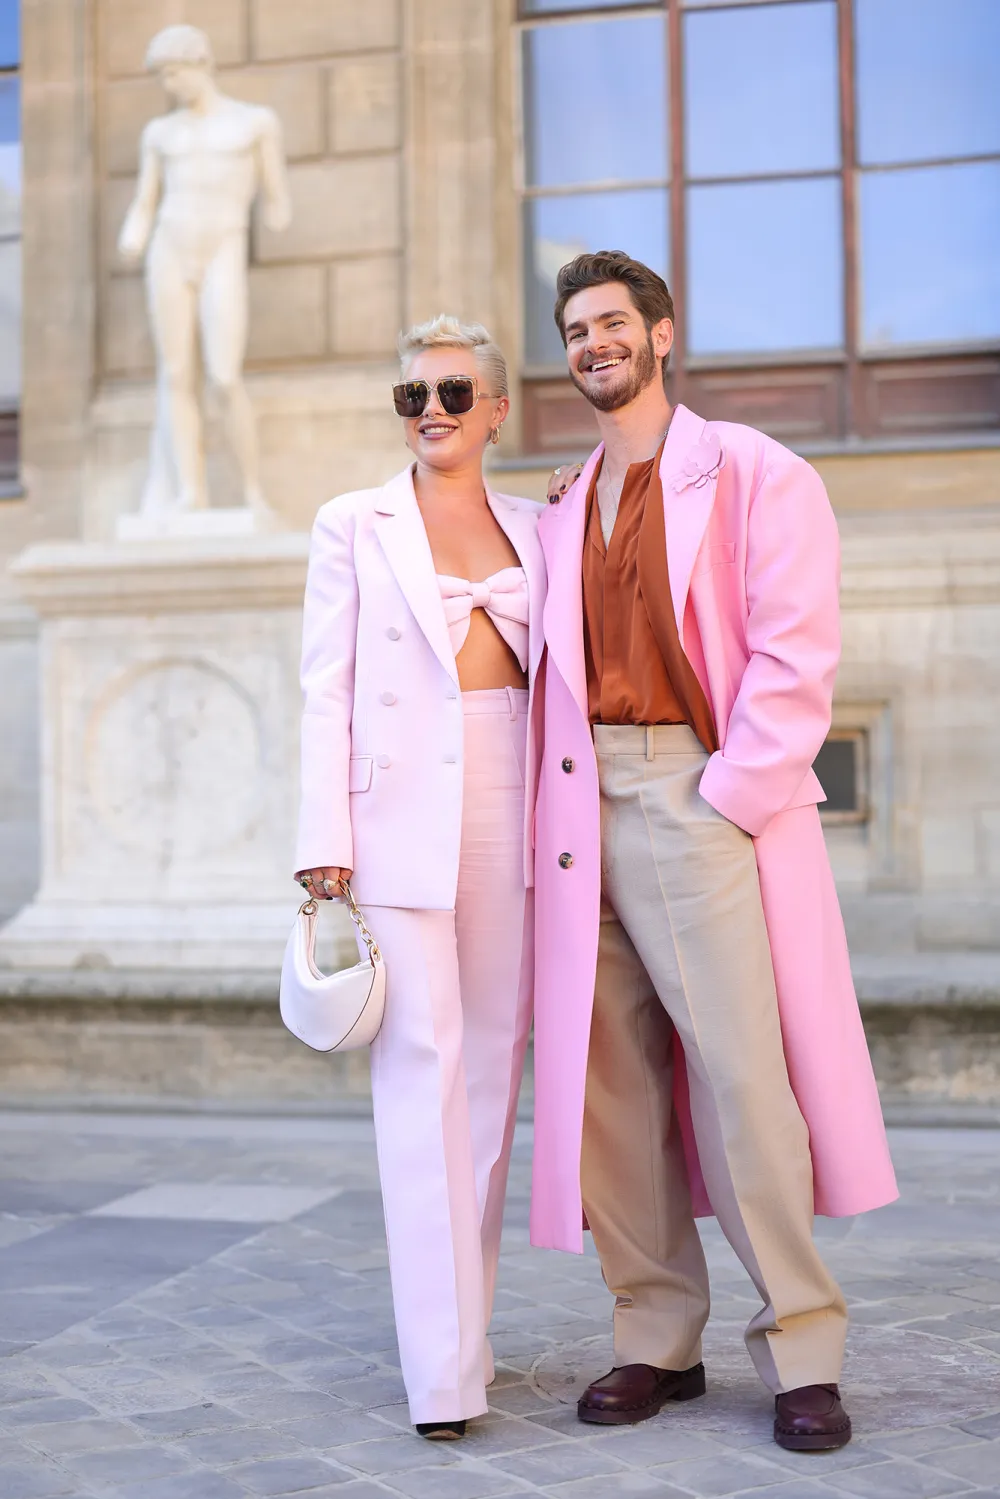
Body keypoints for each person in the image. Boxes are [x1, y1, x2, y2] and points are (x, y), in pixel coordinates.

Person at [530, 252, 898, 1451]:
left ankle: (802, 1343)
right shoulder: (560, 500)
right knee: (611, 1090)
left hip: (692, 790)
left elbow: (797, 653)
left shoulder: (752, 470)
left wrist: (729, 795)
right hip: (580, 805)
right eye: (576, 329)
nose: (594, 343)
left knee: (742, 1077)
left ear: (663, 334)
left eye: (613, 324)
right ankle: (654, 1336)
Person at [294, 317, 545, 1440]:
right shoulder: (353, 521)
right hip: (393, 813)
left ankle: (466, 1341)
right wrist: (321, 834)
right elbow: (324, 684)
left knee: (491, 1071)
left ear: (498, 407)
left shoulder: (542, 525)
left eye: (453, 391)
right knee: (420, 1075)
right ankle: (438, 1376)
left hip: (516, 802)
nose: (431, 410)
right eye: (412, 395)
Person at [118, 24, 291, 518]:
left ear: (201, 64)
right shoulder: (160, 133)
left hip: (223, 245)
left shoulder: (254, 123)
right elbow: (145, 202)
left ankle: (253, 491)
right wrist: (133, 233)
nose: (169, 84)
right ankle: (189, 492)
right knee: (174, 374)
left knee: (222, 374)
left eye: (174, 73)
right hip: (168, 249)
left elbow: (277, 196)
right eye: (163, 77)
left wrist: (278, 213)